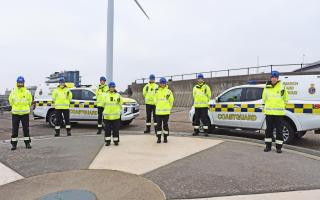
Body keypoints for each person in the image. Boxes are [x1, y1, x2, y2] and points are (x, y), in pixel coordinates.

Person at [262, 71, 288, 153]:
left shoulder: (282, 87)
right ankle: (268, 146)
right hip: (269, 113)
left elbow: (286, 99)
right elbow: (264, 99)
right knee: (268, 130)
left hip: (279, 113)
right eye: (272, 77)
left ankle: (279, 148)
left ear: (278, 78)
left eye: (275, 77)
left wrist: (282, 106)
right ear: (270, 78)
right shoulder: (266, 87)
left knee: (279, 131)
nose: (274, 78)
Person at [9, 76, 33, 150]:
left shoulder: (27, 92)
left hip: (25, 113)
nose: (20, 83)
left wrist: (25, 108)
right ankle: (14, 144)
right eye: (19, 82)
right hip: (15, 113)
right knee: (15, 129)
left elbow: (30, 101)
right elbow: (11, 102)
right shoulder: (13, 92)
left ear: (23, 83)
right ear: (17, 83)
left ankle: (27, 143)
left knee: (26, 129)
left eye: (21, 82)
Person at [103, 81, 123, 146]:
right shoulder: (105, 95)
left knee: (116, 130)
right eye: (111, 87)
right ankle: (107, 141)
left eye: (113, 87)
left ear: (114, 87)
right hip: (107, 116)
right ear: (109, 87)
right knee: (107, 130)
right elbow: (103, 104)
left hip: (116, 116)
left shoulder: (118, 95)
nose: (112, 88)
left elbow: (121, 104)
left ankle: (116, 141)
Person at [154, 78, 174, 143]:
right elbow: (155, 100)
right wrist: (158, 105)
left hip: (166, 112)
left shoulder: (169, 91)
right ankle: (159, 138)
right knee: (158, 125)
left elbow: (171, 101)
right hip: (158, 112)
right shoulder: (156, 91)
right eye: (161, 83)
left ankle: (165, 138)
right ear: (159, 84)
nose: (162, 84)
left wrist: (169, 108)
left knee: (165, 125)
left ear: (165, 83)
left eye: (163, 83)